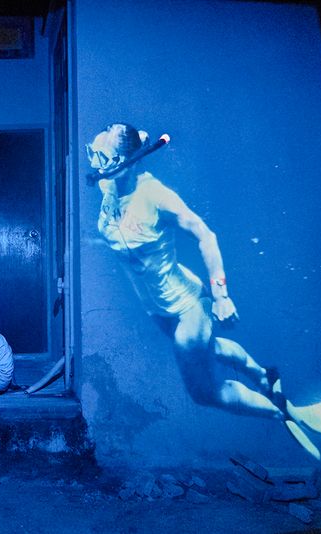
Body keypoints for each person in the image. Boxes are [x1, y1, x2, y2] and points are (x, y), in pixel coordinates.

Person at [86, 123, 294, 426]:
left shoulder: (155, 196)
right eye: (93, 154)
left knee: (205, 392)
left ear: (126, 162)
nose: (94, 165)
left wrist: (221, 296)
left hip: (185, 307)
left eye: (103, 158)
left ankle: (280, 412)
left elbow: (205, 235)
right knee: (210, 348)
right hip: (157, 307)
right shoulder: (110, 185)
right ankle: (264, 375)